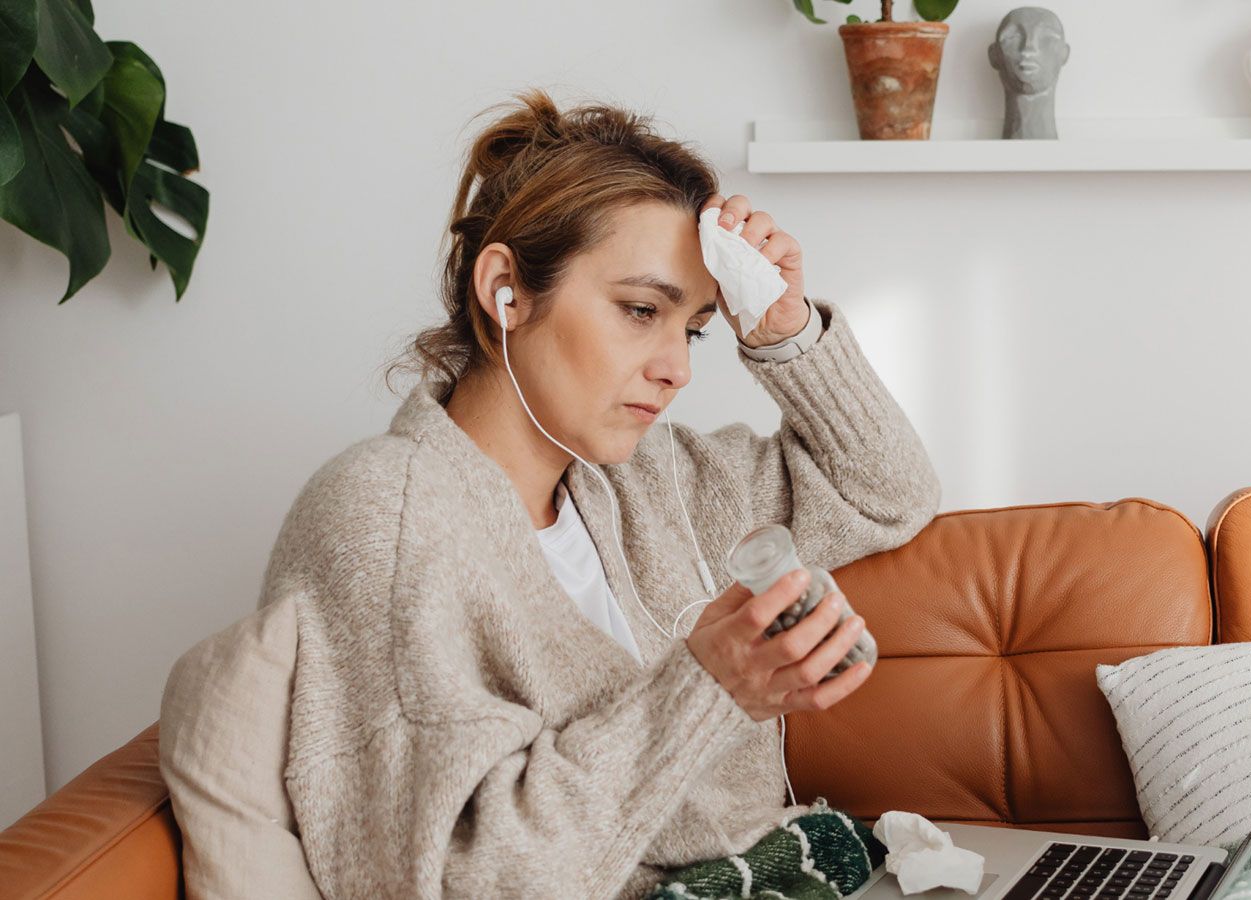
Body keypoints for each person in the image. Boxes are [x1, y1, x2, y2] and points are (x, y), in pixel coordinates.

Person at [254, 88, 940, 898]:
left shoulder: (653, 478)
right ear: (506, 290)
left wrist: (782, 328)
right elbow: (460, 878)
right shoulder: (382, 520)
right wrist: (707, 689)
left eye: (693, 329)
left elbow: (888, 492)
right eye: (641, 310)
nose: (677, 369)